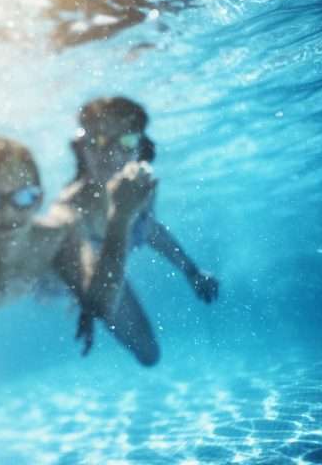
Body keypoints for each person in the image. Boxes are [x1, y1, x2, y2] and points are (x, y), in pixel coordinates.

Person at [0, 136, 157, 452]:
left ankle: (95, 262)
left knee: (149, 353)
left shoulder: (57, 233)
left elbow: (102, 305)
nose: (7, 214)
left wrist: (120, 216)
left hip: (61, 280)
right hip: (30, 286)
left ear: (39, 198)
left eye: (22, 197)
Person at [61, 96, 219, 359]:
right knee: (148, 354)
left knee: (150, 355)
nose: (112, 153)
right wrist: (88, 306)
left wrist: (192, 271)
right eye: (99, 140)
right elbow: (77, 268)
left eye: (126, 142)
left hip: (106, 270)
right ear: (81, 148)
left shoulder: (141, 184)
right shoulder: (73, 206)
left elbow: (150, 230)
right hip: (92, 278)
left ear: (139, 147)